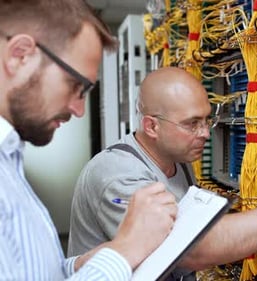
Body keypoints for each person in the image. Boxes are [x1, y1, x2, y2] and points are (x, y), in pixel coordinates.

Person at [68, 67, 257, 280]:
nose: (206, 133)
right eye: (192, 123)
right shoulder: (117, 175)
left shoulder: (176, 159)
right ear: (151, 126)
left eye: (207, 119)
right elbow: (191, 249)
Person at [0, 1, 178, 280]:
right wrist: (126, 248)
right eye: (75, 86)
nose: (79, 110)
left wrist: (82, 264)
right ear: (19, 55)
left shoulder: (9, 158)